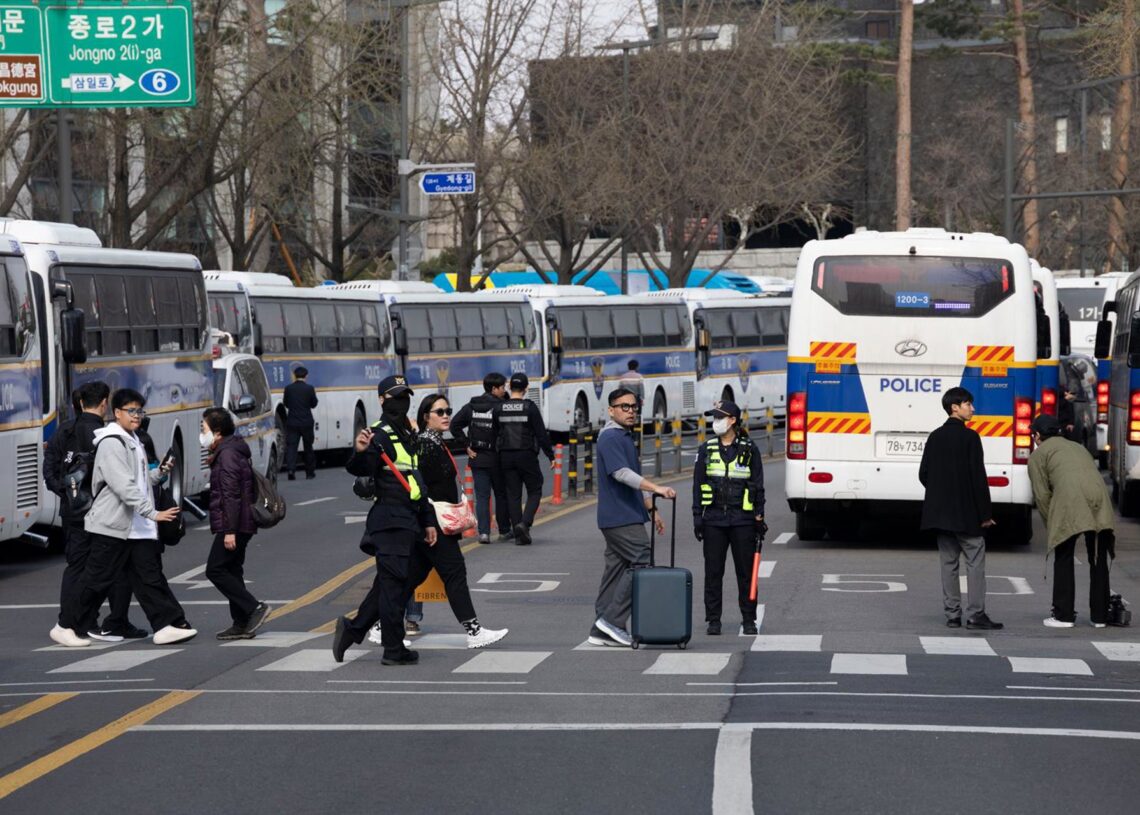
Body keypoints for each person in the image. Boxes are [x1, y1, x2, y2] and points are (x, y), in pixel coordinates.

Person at [68, 389, 197, 646]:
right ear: (116, 412)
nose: (137, 416)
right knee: (97, 579)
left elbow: (138, 482)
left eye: (140, 410)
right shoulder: (112, 442)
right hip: (113, 524)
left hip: (134, 525)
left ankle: (167, 624)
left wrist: (159, 473)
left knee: (149, 576)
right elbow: (123, 486)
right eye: (132, 411)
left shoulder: (133, 439)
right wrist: (154, 513)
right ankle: (66, 624)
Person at [332, 375, 435, 665]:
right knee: (393, 586)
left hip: (410, 520)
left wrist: (427, 520)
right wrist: (361, 451)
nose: (402, 402)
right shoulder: (377, 434)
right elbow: (362, 469)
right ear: (381, 400)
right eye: (395, 396)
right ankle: (392, 648)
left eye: (405, 396)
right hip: (390, 522)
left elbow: (418, 482)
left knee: (395, 583)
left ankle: (353, 629)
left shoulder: (407, 434)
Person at [398, 393, 508, 648]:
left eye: (448, 411)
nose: (446, 415)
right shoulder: (425, 444)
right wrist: (425, 519)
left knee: (411, 576)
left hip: (435, 520)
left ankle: (379, 623)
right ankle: (474, 631)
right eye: (440, 412)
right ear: (426, 417)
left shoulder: (435, 441)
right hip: (433, 522)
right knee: (455, 572)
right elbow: (419, 486)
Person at [45, 382, 147, 646]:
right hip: (102, 513)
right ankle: (95, 621)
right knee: (108, 568)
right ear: (105, 403)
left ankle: (75, 621)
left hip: (72, 511)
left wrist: (70, 496)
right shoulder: (107, 435)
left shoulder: (63, 431)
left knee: (77, 567)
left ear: (79, 403)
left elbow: (50, 472)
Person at [589, 387, 677, 647]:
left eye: (633, 407)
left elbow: (631, 476)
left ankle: (599, 627)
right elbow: (622, 474)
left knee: (615, 569)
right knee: (641, 560)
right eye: (624, 407)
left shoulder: (624, 436)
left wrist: (652, 509)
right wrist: (656, 488)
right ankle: (613, 621)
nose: (630, 411)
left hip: (624, 514)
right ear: (611, 410)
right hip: (620, 517)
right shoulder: (611, 438)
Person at [918, 386, 1003, 630]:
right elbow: (978, 478)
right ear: (955, 407)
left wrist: (940, 494)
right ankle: (976, 614)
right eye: (968, 404)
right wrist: (985, 514)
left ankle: (952, 615)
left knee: (948, 564)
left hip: (940, 514)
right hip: (967, 515)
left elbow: (924, 474)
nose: (972, 408)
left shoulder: (934, 436)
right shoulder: (970, 437)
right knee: (975, 561)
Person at [1028, 414, 1116, 628]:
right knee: (1097, 556)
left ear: (1037, 435)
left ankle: (1063, 615)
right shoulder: (1078, 447)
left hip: (1071, 499)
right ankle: (1100, 617)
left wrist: (1053, 526)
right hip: (1100, 498)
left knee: (1064, 554)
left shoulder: (1038, 456)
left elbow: (1042, 496)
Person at [692, 401, 765, 636]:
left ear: (732, 420)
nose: (716, 422)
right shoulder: (706, 449)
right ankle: (713, 620)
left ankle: (748, 619)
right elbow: (697, 485)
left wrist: (758, 516)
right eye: (714, 417)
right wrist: (697, 518)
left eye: (720, 417)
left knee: (745, 574)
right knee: (713, 573)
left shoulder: (750, 448)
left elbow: (758, 485)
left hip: (742, 520)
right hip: (713, 519)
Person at [202, 407, 271, 640]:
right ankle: (241, 623)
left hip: (235, 523)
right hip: (241, 521)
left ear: (217, 431)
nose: (202, 434)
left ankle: (254, 608)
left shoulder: (228, 454)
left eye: (204, 429)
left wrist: (229, 530)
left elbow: (231, 495)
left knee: (215, 569)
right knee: (232, 570)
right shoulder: (231, 449)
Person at [451, 372, 513, 543]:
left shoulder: (472, 406)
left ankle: (484, 533)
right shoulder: (501, 406)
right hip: (497, 458)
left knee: (482, 497)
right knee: (501, 495)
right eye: (502, 387)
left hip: (477, 457)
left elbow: (454, 424)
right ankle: (504, 530)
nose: (504, 390)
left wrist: (466, 445)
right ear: (494, 388)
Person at [494, 373, 554, 546]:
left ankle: (519, 533)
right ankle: (524, 524)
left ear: (509, 387)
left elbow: (496, 432)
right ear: (526, 388)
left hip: (505, 455)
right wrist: (550, 455)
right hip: (526, 454)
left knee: (513, 494)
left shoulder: (499, 408)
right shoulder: (530, 407)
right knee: (535, 489)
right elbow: (541, 434)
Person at [283, 366, 318, 480]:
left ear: (295, 376)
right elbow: (314, 404)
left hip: (292, 422)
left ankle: (291, 470)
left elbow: (286, 403)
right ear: (306, 376)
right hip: (306, 422)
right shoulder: (309, 388)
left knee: (292, 447)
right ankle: (309, 472)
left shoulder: (288, 388)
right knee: (308, 447)